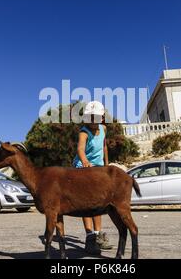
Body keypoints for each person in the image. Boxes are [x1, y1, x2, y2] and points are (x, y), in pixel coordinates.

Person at [72, 101, 113, 255]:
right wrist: (85, 162)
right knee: (86, 204)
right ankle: (90, 237)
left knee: (98, 203)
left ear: (101, 118)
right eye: (90, 117)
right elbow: (80, 149)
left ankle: (98, 235)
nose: (93, 121)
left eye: (96, 117)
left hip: (98, 168)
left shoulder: (104, 129)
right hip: (83, 169)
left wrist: (106, 165)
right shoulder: (84, 132)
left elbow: (104, 147)